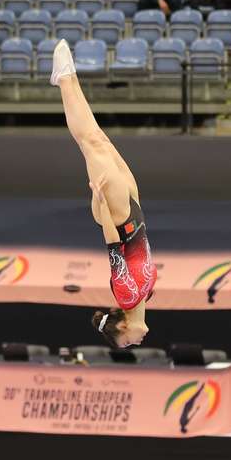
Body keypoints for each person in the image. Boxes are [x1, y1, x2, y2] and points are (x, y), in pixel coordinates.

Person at [50, 40, 156, 347]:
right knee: (100, 139)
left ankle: (65, 79)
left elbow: (114, 248)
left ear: (123, 327)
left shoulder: (126, 295)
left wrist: (100, 204)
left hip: (119, 216)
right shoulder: (144, 297)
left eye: (129, 342)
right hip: (134, 209)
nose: (137, 342)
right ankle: (67, 77)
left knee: (90, 144)